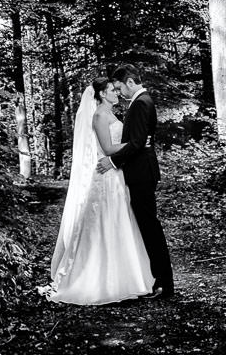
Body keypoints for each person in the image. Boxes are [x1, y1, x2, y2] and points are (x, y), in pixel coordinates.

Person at [44, 76, 155, 305]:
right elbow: (107, 148)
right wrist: (136, 143)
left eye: (117, 89)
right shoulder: (99, 115)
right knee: (104, 222)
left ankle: (126, 276)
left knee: (119, 221)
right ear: (102, 94)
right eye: (113, 90)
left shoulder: (112, 113)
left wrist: (133, 142)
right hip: (105, 176)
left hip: (116, 174)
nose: (117, 93)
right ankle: (99, 279)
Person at [96, 63, 175, 299]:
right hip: (141, 171)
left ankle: (164, 284)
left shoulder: (141, 103)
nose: (119, 92)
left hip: (141, 173)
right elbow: (141, 140)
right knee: (148, 227)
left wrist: (112, 162)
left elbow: (139, 142)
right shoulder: (140, 102)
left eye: (120, 87)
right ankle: (159, 281)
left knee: (150, 228)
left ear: (130, 82)